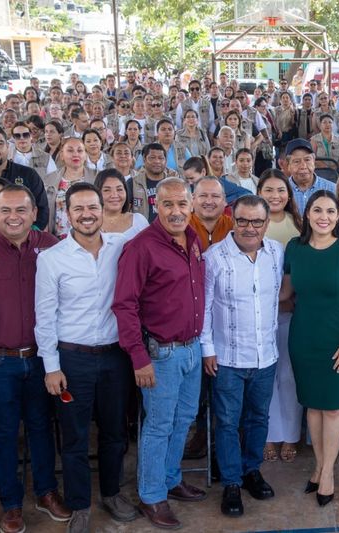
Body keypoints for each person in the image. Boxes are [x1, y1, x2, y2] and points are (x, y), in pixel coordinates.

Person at [0, 184, 70, 533]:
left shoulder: (53, 248)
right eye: (5, 210)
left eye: (21, 210)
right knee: (5, 434)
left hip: (42, 360)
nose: (13, 217)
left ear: (35, 213)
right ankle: (10, 504)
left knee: (42, 429)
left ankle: (46, 492)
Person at [34, 182, 137, 532]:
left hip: (114, 358)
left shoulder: (121, 247)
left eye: (92, 207)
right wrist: (51, 367)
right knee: (75, 436)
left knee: (114, 433)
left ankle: (111, 493)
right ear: (66, 213)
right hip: (72, 360)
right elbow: (44, 317)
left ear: (102, 208)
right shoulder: (51, 259)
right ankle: (79, 504)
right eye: (78, 209)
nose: (86, 214)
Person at [112, 177, 207, 530]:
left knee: (184, 420)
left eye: (182, 203)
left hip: (192, 349)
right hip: (161, 355)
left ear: (191, 205)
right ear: (156, 206)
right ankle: (152, 495)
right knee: (158, 426)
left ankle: (170, 479)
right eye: (168, 204)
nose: (176, 211)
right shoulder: (141, 247)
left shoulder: (193, 239)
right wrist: (139, 357)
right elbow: (124, 306)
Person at [279, 190, 339, 507]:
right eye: (317, 210)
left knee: (332, 407)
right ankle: (318, 465)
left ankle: (327, 472)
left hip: (338, 340)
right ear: (307, 214)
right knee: (313, 406)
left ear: (338, 215)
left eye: (331, 211)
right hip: (304, 338)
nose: (324, 217)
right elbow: (285, 293)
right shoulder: (295, 249)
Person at [201, 195, 284, 517]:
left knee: (258, 418)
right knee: (227, 422)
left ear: (266, 223)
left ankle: (252, 471)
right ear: (232, 221)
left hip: (266, 355)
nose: (250, 228)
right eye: (243, 221)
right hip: (227, 359)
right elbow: (205, 309)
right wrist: (208, 350)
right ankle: (232, 483)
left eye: (257, 222)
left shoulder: (276, 252)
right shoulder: (214, 257)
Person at [258, 169, 303, 462]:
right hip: (259, 315)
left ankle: (291, 435)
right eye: (269, 191)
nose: (275, 196)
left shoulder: (298, 226)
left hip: (289, 312)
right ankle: (269, 435)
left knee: (288, 376)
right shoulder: (252, 224)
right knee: (266, 378)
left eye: (280, 191)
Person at [286, 138, 336, 215]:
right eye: (297, 161)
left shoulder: (332, 189)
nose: (303, 166)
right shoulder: (282, 192)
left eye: (307, 160)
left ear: (314, 162)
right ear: (288, 166)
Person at [95, 169, 149, 240]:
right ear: (97, 194)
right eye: (107, 190)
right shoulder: (90, 223)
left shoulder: (139, 221)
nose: (114, 195)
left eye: (119, 189)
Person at [189, 176, 232, 250]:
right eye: (203, 195)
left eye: (215, 196)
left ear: (224, 200)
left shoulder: (233, 227)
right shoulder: (183, 226)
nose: (209, 201)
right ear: (193, 199)